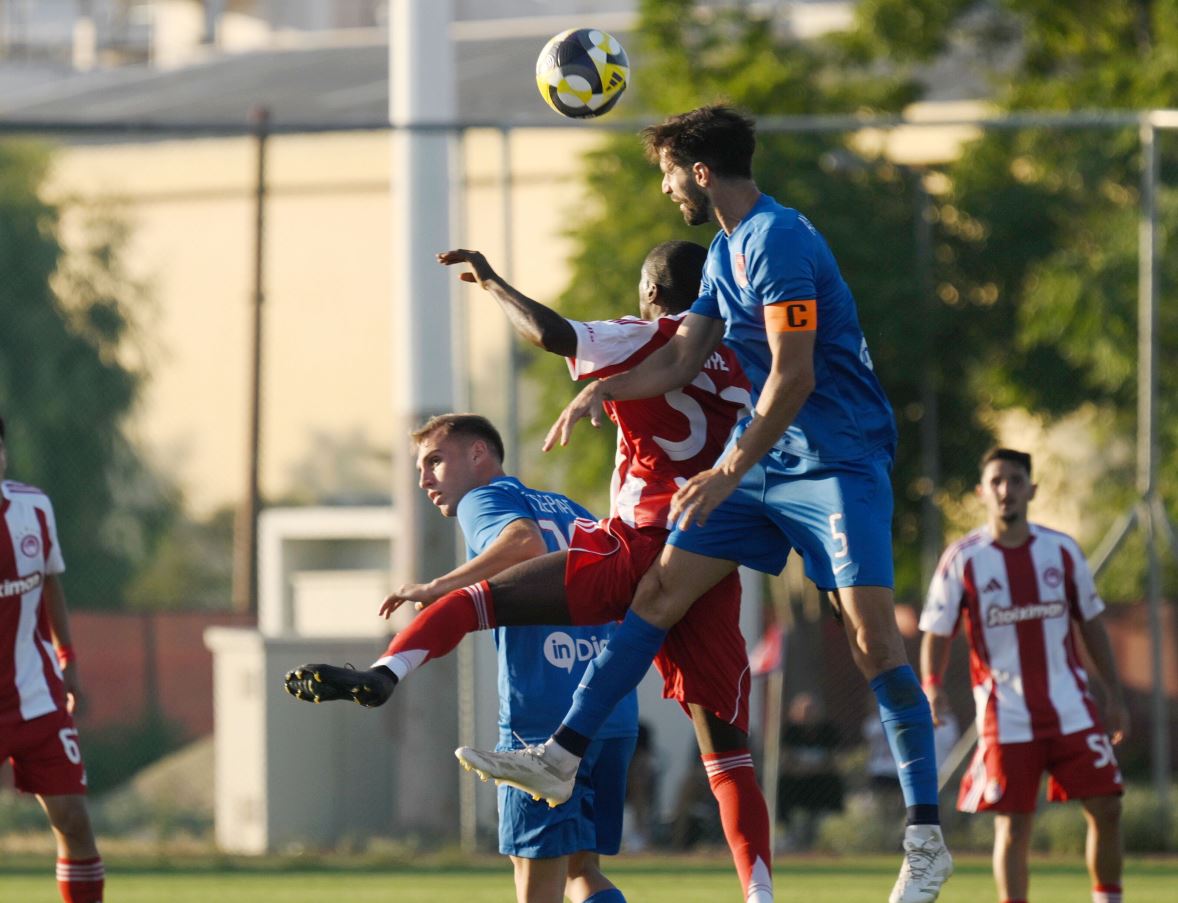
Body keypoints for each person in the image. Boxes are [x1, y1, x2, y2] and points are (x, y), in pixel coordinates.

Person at [453, 105, 952, 903]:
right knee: (659, 588)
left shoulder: (780, 240)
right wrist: (603, 391)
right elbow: (686, 353)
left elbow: (795, 377)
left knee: (871, 642)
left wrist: (725, 470)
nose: (664, 188)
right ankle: (561, 753)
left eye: (666, 172)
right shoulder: (723, 251)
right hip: (768, 457)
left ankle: (925, 838)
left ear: (700, 172)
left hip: (837, 460)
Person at [286, 242, 775, 903]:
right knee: (724, 761)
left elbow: (553, 335)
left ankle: (386, 672)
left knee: (477, 604)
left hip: (603, 604)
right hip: (704, 571)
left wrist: (492, 283)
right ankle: (761, 891)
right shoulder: (747, 359)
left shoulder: (639, 339)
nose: (427, 476)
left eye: (435, 461)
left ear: (654, 295)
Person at [290, 414, 635, 903]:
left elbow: (522, 544)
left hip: (542, 720)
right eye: (419, 468)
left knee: (537, 884)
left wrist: (438, 587)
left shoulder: (484, 497)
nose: (424, 479)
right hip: (609, 713)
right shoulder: (571, 508)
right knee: (583, 871)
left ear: (478, 455)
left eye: (435, 460)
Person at [920, 447, 1128, 903]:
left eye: (1015, 480)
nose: (1005, 490)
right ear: (982, 492)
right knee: (1013, 824)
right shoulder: (963, 559)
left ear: (1031, 489)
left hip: (1071, 707)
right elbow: (936, 633)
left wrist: (1113, 694)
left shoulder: (1062, 550)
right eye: (996, 481)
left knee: (1108, 805)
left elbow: (1091, 622)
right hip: (1005, 716)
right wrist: (932, 688)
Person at [0, 414, 106, 903]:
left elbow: (51, 582)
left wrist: (70, 661)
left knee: (74, 822)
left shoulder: (33, 507)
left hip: (38, 696)